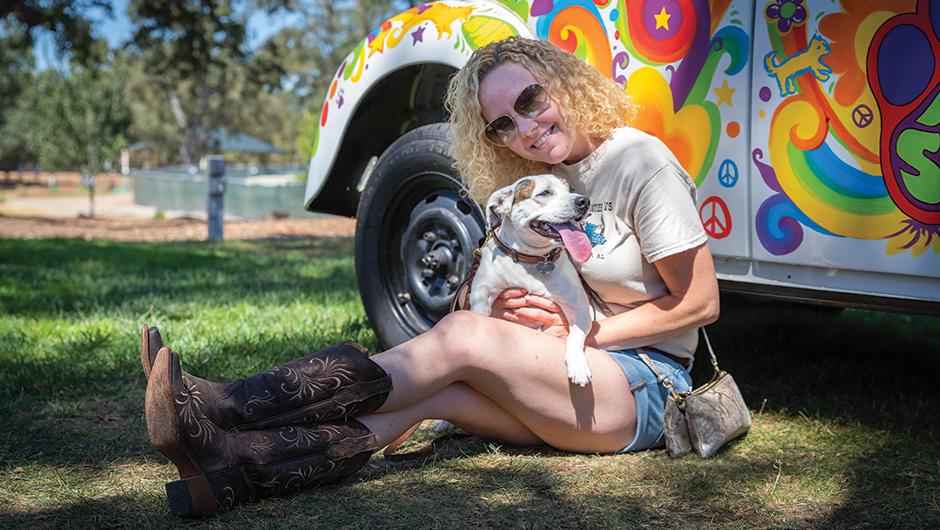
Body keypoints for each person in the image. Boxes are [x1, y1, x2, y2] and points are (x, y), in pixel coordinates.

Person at [141, 36, 719, 517]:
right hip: (576, 378)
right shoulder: (549, 177)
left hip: (649, 384)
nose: (525, 127)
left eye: (531, 99)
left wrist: (586, 335)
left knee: (463, 337)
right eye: (502, 125)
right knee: (433, 393)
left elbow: (699, 305)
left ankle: (226, 405)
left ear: (562, 82)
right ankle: (233, 468)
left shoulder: (639, 163)